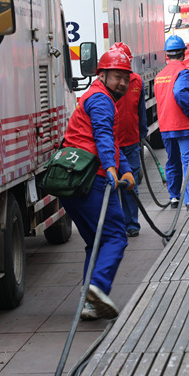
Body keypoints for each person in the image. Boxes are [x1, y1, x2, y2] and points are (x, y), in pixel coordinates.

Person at [60, 46, 136, 320]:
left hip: (72, 180)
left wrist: (125, 170)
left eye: (126, 78)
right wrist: (112, 170)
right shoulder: (102, 100)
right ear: (101, 75)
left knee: (96, 242)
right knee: (115, 237)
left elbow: (110, 141)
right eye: (117, 77)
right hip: (91, 179)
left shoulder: (94, 96)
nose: (122, 83)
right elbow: (103, 137)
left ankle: (88, 302)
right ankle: (98, 287)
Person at [153, 35, 189, 208]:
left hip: (166, 126)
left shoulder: (160, 76)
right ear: (183, 53)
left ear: (167, 54)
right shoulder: (183, 72)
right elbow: (180, 93)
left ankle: (174, 197)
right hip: (184, 125)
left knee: (172, 161)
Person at [110, 42, 148, 238]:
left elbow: (141, 111)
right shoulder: (104, 85)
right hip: (112, 144)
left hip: (131, 142)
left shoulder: (137, 81)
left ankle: (132, 224)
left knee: (130, 185)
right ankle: (116, 226)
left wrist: (143, 133)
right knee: (111, 186)